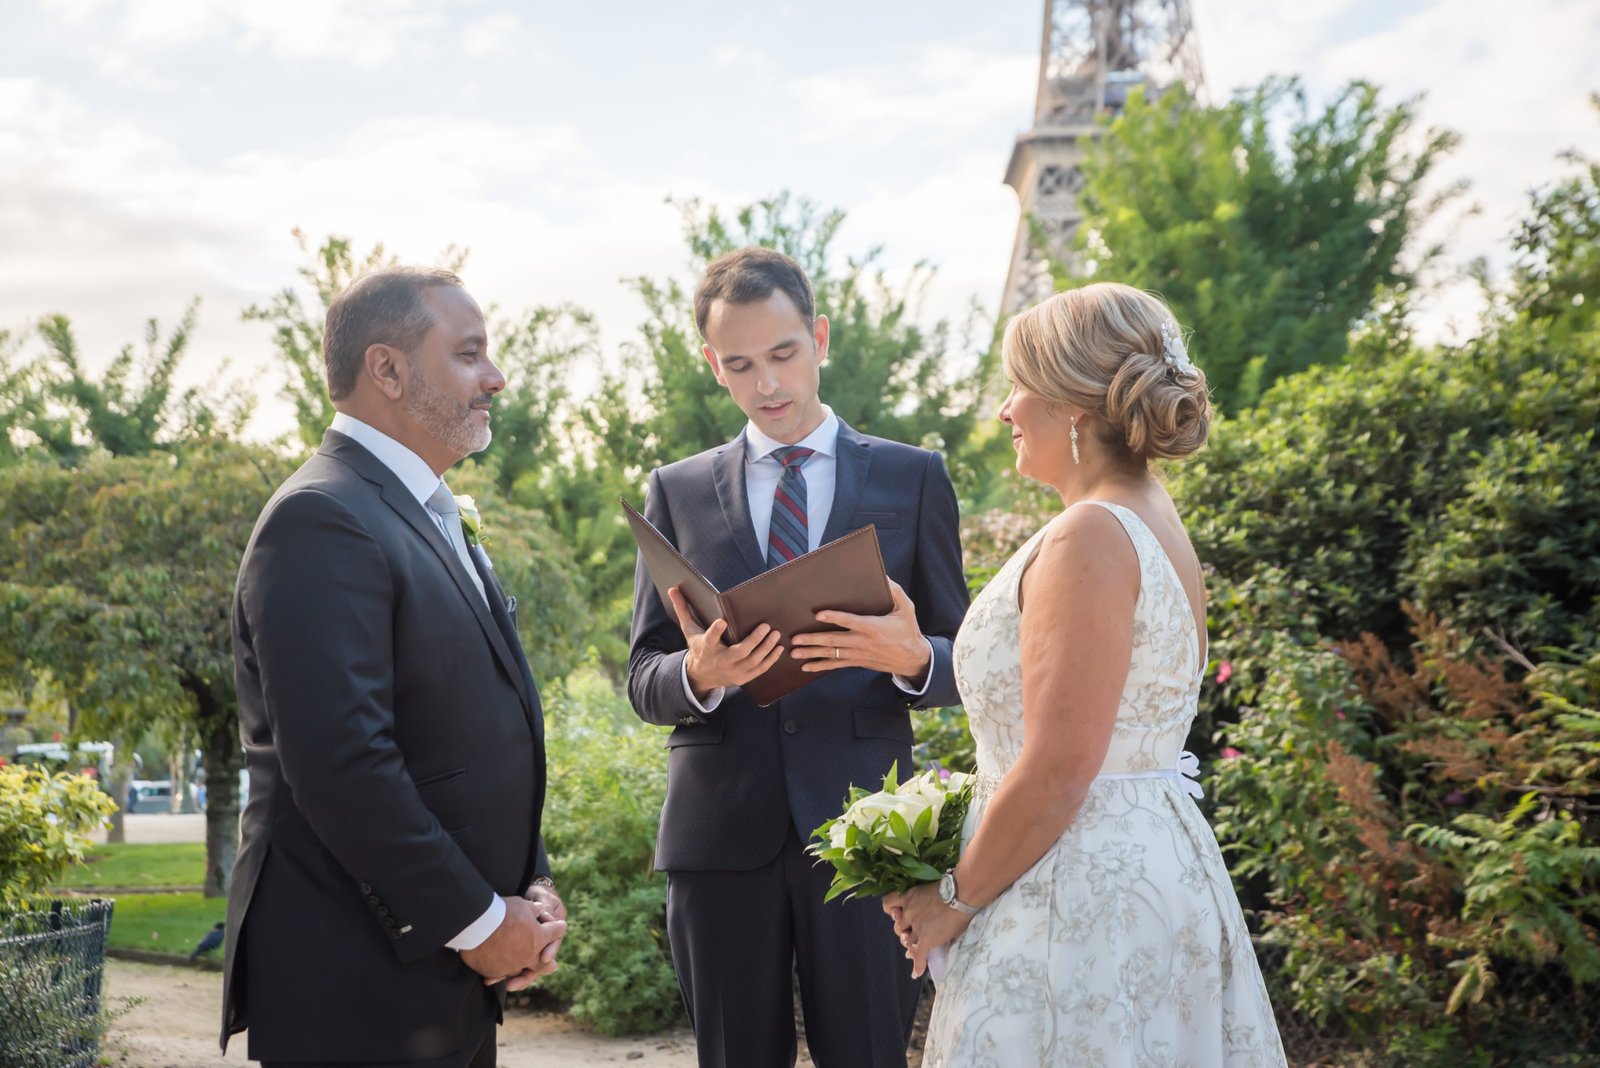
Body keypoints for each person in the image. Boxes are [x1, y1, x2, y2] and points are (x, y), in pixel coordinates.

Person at [885, 283, 1287, 1065]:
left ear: (1072, 406)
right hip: (1144, 869)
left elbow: (1061, 766)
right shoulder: (1150, 515)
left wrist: (951, 902)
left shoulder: (1090, 535)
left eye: (1018, 387)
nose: (1004, 411)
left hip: (1075, 896)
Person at [627, 247, 969, 1067]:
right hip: (718, 838)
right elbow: (644, 678)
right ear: (714, 366)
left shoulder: (913, 477)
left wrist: (914, 655)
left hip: (867, 832)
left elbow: (968, 664)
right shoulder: (674, 490)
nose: (767, 384)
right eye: (740, 365)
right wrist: (699, 676)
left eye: (782, 354)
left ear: (818, 338)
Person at [221, 267, 567, 1068]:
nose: (496, 377)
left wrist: (530, 894)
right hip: (356, 978)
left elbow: (467, 734)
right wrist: (483, 924)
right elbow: (345, 765)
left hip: (439, 967)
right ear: (388, 369)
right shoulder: (323, 517)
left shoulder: (419, 510)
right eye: (470, 354)